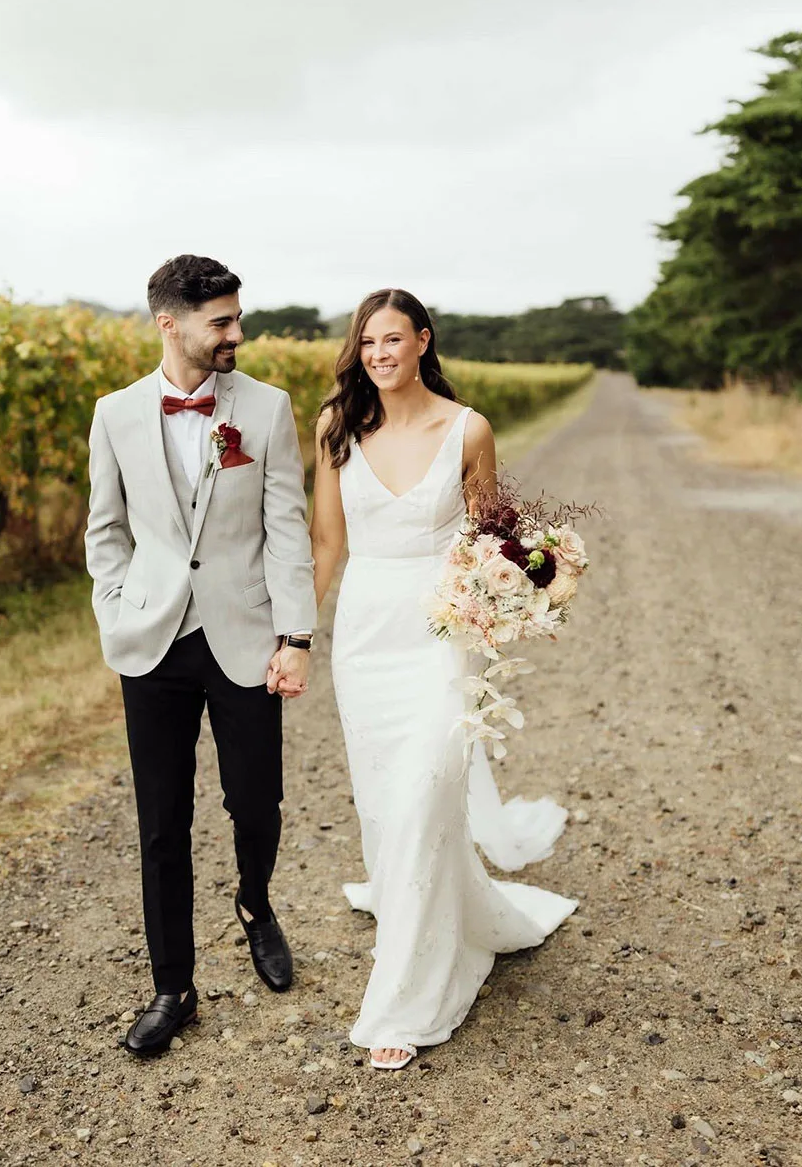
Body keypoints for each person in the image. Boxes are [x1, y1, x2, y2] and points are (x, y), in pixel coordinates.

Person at [310, 288, 577, 1069]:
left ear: (423, 341)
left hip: (439, 632)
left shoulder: (469, 429)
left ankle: (405, 998)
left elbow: (492, 537)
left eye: (393, 340)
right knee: (388, 800)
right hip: (365, 636)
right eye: (367, 344)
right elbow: (327, 544)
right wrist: (292, 635)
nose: (379, 355)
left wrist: (537, 574)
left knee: (428, 781)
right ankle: (421, 911)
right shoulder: (335, 427)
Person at [84, 254, 316, 1058]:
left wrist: (295, 636)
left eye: (236, 317)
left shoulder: (269, 408)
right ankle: (173, 987)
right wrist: (116, 611)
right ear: (169, 323)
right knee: (161, 822)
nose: (236, 334)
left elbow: (286, 526)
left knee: (256, 803)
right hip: (151, 642)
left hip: (245, 634)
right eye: (220, 321)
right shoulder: (113, 414)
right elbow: (105, 531)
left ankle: (255, 902)